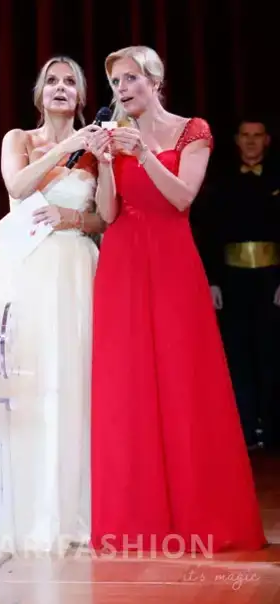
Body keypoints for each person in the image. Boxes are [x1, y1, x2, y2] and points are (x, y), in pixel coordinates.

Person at [88, 46, 266, 554]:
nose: (121, 90)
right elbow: (108, 213)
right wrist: (106, 162)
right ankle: (135, 518)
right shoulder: (115, 138)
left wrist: (142, 152)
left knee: (183, 378)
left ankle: (199, 515)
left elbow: (182, 197)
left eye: (130, 79)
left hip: (171, 258)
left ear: (155, 80)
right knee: (129, 384)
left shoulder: (193, 131)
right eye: (116, 83)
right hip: (122, 261)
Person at [0, 56, 105, 556]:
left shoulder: (97, 148)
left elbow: (105, 218)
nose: (60, 88)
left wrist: (72, 218)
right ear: (39, 93)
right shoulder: (19, 139)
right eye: (51, 81)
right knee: (20, 380)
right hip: (22, 265)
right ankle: (13, 515)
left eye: (70, 82)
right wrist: (66, 147)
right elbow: (17, 187)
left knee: (71, 380)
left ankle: (69, 511)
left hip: (73, 268)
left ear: (81, 96)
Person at [196, 119, 280, 450]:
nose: (251, 142)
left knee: (272, 354)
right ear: (236, 140)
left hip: (272, 280)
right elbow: (208, 234)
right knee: (238, 354)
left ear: (267, 140)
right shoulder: (220, 183)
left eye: (257, 136)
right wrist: (213, 281)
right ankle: (244, 430)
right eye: (245, 136)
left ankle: (272, 432)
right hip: (232, 280)